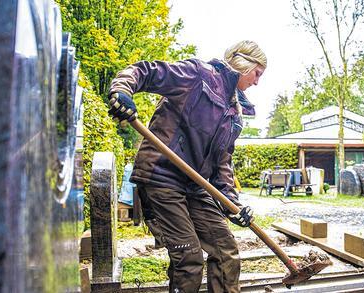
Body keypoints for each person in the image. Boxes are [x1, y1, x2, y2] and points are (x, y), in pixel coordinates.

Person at [107, 40, 267, 292]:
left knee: (226, 250)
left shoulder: (234, 113)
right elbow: (146, 72)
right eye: (257, 73)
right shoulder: (198, 75)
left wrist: (232, 205)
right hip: (161, 178)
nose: (257, 82)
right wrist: (122, 89)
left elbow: (222, 164)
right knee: (189, 257)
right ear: (244, 63)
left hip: (196, 186)